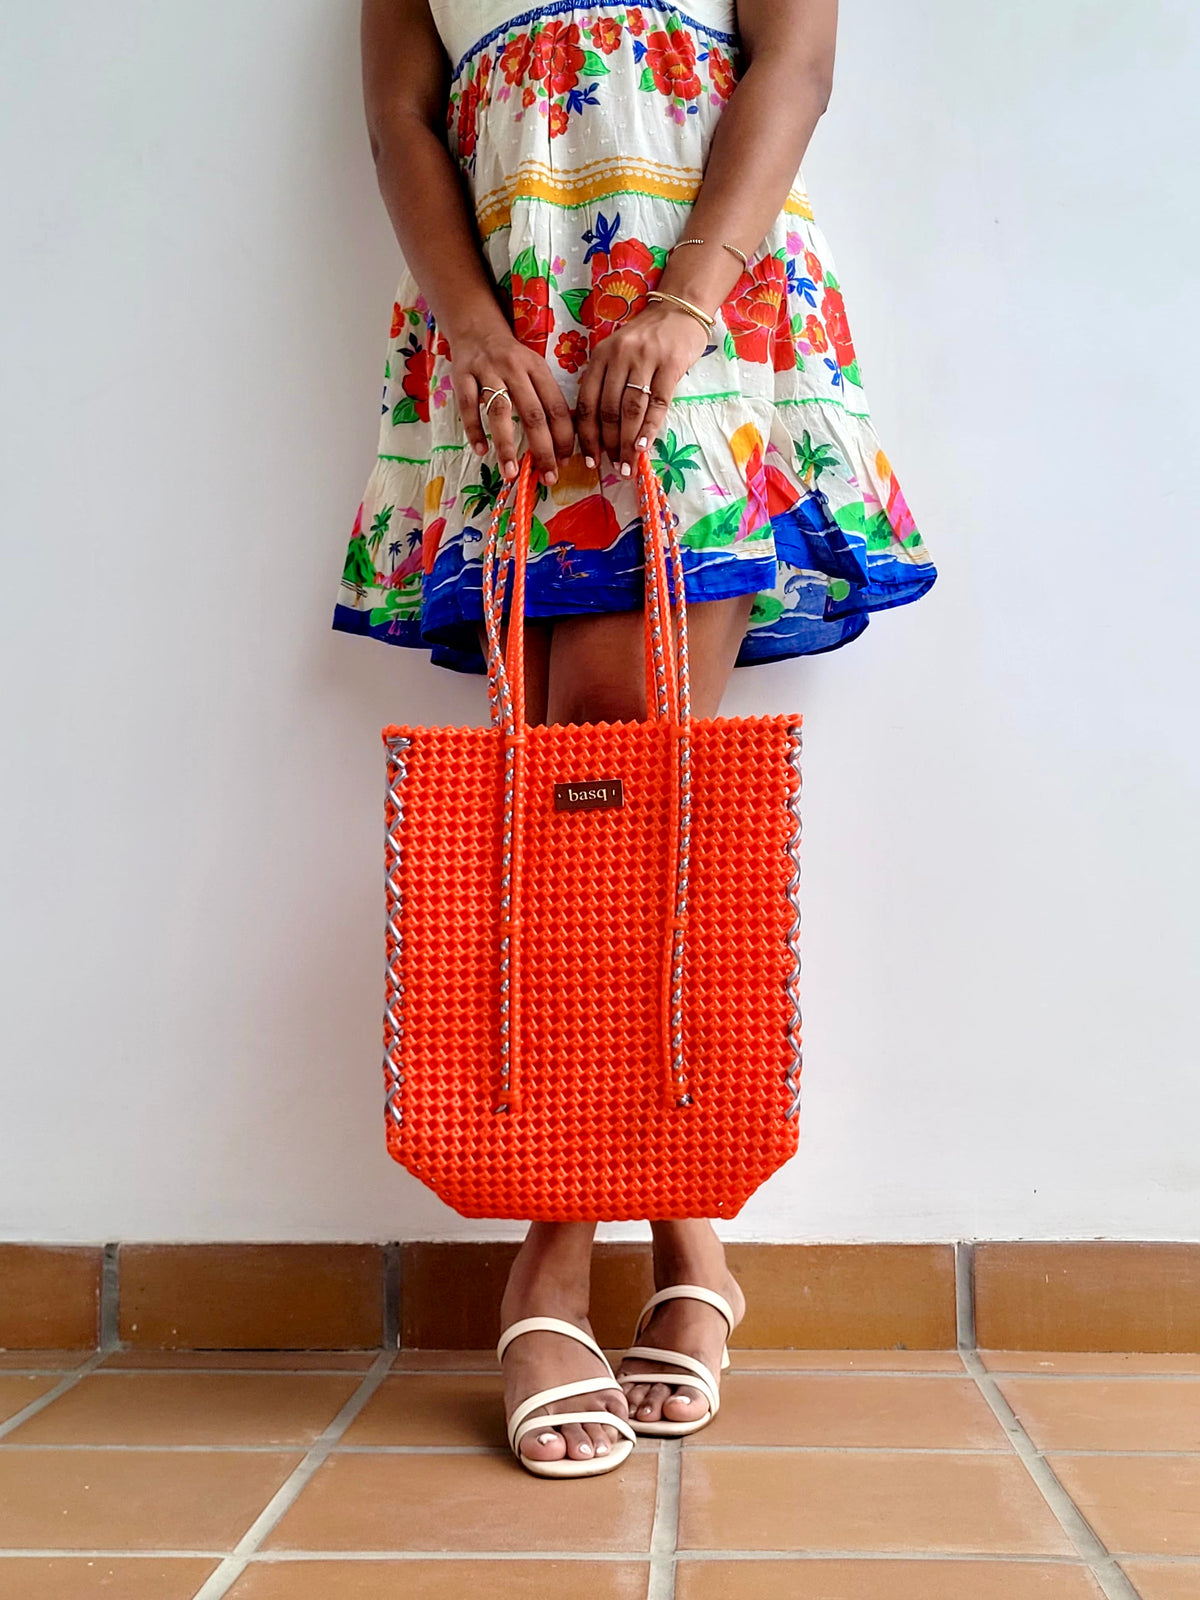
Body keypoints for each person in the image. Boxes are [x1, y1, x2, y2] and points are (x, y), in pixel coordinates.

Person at [336, 0, 938, 1478]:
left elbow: (793, 64)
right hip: (506, 339)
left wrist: (683, 301)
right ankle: (694, 1240)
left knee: (621, 764)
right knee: (582, 793)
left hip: (695, 307)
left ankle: (556, 1261)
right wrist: (473, 330)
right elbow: (405, 119)